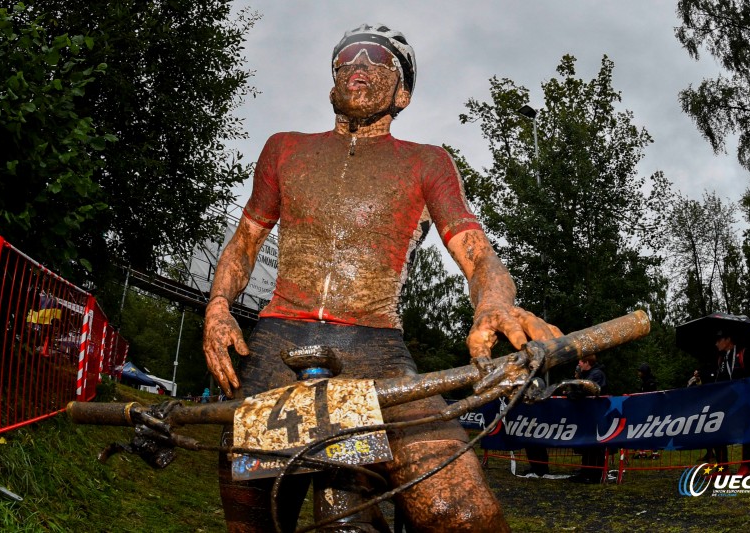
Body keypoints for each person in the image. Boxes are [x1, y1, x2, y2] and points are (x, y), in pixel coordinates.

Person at [202, 23, 561, 532]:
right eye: (346, 58)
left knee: (461, 511)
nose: (358, 65)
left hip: (376, 351)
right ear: (332, 78)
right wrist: (218, 307)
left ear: (404, 93)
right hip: (275, 347)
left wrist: (494, 303)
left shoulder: (427, 162)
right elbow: (243, 242)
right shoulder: (284, 148)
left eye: (376, 59)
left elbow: (479, 256)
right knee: (254, 519)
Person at [711, 330, 750, 476]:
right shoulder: (720, 359)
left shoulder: (744, 353)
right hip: (726, 403)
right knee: (718, 431)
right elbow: (718, 381)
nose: (716, 343)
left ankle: (746, 466)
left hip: (744, 401)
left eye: (719, 340)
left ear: (728, 339)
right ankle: (723, 468)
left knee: (746, 432)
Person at [570, 354, 607, 483]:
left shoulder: (597, 374)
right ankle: (585, 471)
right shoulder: (587, 374)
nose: (579, 364)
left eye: (580, 361)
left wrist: (573, 394)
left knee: (595, 445)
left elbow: (587, 389)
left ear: (587, 363)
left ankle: (594, 475)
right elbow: (579, 388)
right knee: (586, 444)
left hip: (597, 415)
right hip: (589, 415)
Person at [634, 362, 659, 460]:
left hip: (650, 410)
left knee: (651, 430)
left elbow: (650, 396)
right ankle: (642, 452)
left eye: (640, 371)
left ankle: (655, 452)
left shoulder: (650, 382)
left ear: (644, 372)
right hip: (644, 409)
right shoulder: (645, 381)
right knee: (642, 430)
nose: (638, 373)